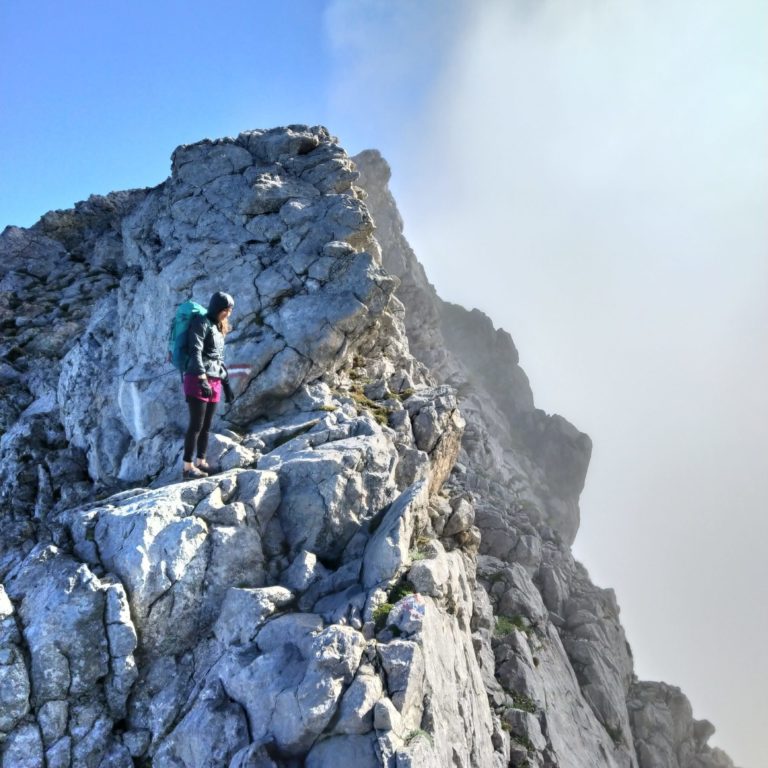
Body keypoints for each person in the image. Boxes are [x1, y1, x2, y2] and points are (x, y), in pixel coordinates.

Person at [182, 291, 234, 479]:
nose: (228, 314)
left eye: (229, 310)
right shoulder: (200, 323)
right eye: (227, 310)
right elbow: (195, 351)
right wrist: (202, 379)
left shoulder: (218, 327)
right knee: (196, 424)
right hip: (197, 378)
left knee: (207, 426)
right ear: (218, 308)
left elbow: (218, 359)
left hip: (215, 379)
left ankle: (201, 462)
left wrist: (226, 384)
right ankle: (187, 468)